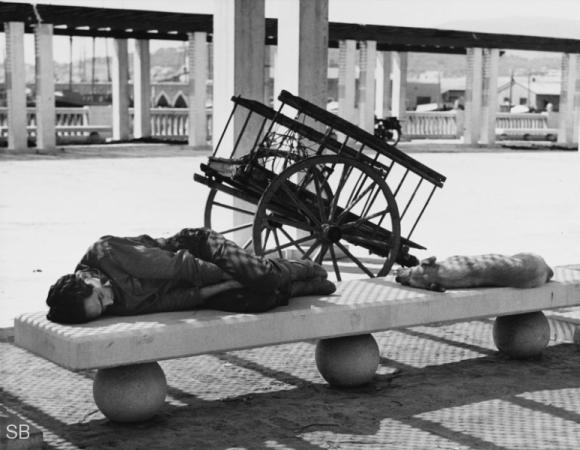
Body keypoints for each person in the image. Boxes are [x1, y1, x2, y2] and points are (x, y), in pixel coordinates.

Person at [46, 227, 336, 324]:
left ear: (85, 280)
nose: (109, 304)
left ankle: (301, 268)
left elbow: (183, 267)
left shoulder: (107, 252)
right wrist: (228, 285)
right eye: (102, 309)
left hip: (199, 250)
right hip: (195, 282)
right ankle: (300, 289)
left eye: (100, 296)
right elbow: (178, 300)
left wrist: (238, 275)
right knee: (256, 301)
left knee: (260, 279)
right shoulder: (114, 304)